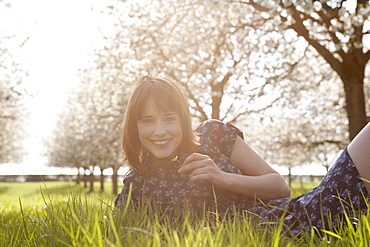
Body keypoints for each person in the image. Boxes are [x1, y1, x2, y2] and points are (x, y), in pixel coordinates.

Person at [115, 75, 370, 235]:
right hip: (266, 238)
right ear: (135, 128)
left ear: (182, 120)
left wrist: (221, 177)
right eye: (147, 121)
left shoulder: (213, 134)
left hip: (295, 217)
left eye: (168, 119)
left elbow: (279, 187)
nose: (159, 131)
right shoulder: (137, 185)